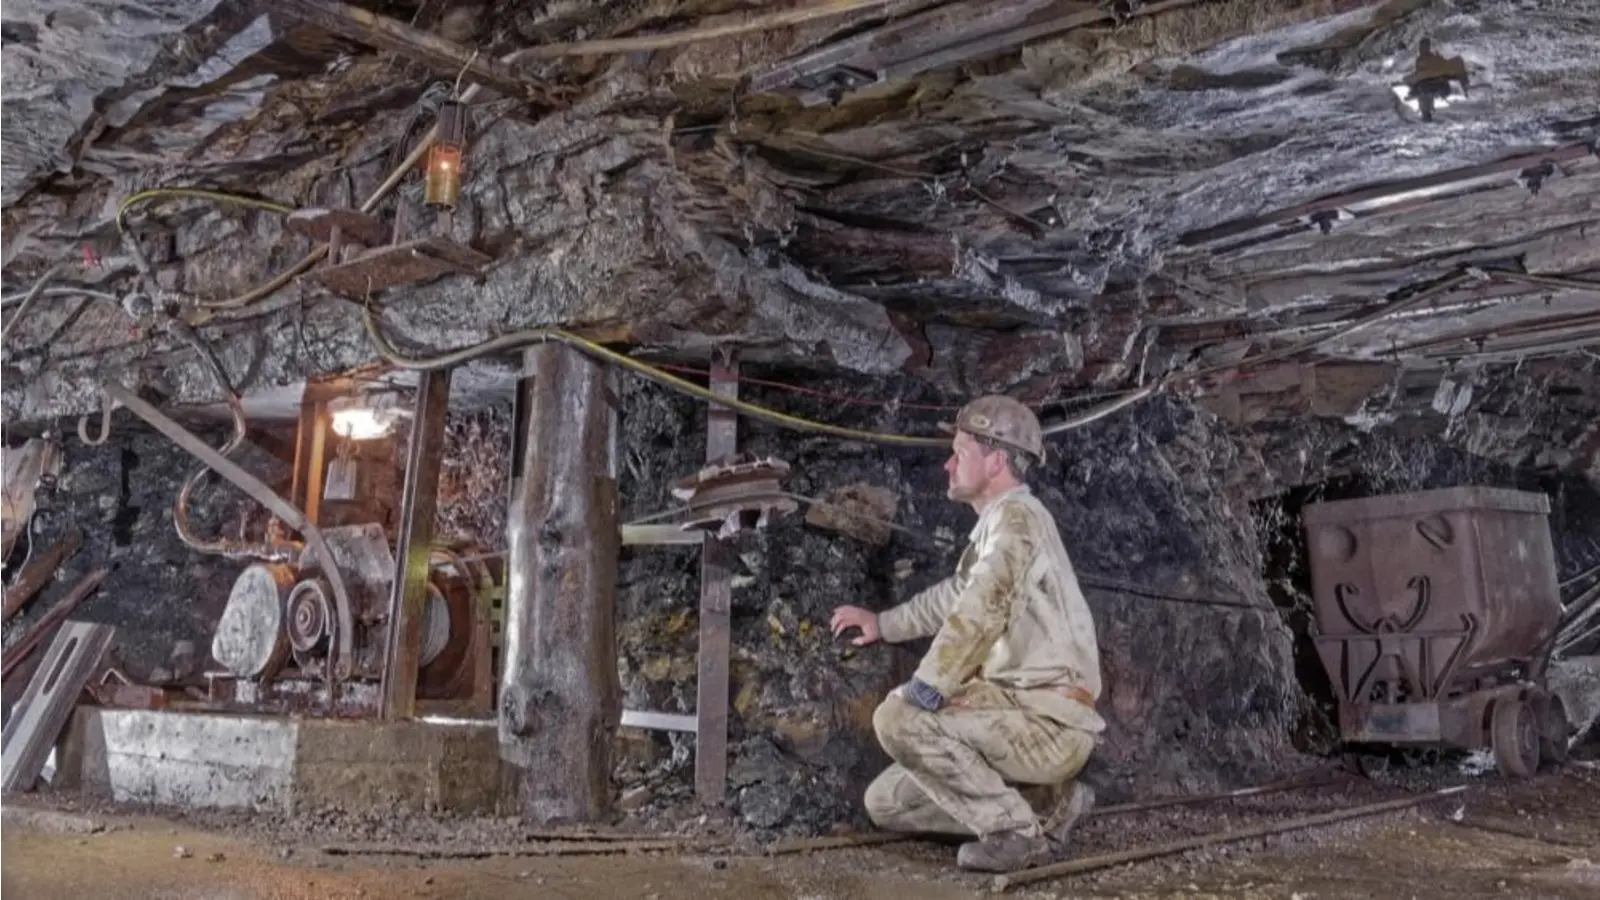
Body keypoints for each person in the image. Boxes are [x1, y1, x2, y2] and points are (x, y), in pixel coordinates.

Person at [830, 394, 1104, 874]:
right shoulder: (997, 529)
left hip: (1046, 723)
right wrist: (882, 624)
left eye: (960, 452)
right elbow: (957, 596)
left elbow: (983, 607)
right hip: (1008, 714)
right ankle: (1049, 805)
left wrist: (929, 687)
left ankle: (1014, 833)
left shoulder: (1019, 520)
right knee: (886, 803)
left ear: (996, 459)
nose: (948, 463)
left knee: (897, 720)